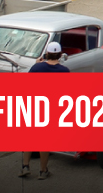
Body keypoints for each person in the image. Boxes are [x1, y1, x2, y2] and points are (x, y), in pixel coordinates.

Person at [19, 42, 69, 179]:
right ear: (60, 55)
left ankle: (25, 166)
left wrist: (36, 64)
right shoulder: (64, 71)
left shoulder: (37, 68)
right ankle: (43, 170)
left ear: (47, 54)